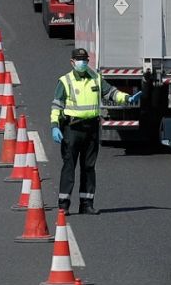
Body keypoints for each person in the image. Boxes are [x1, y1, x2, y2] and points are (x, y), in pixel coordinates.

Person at [49, 48, 141, 215]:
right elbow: (57, 105)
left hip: (91, 128)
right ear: (72, 62)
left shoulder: (95, 78)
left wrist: (127, 98)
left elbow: (111, 93)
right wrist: (55, 125)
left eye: (84, 59)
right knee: (69, 166)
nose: (82, 62)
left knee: (89, 166)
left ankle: (87, 203)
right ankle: (64, 205)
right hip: (72, 128)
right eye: (79, 59)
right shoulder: (65, 81)